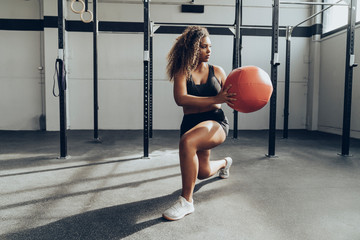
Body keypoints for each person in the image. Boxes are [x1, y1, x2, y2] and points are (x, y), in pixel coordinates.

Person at [162, 26, 236, 221]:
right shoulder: (182, 72)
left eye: (210, 46)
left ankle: (186, 201)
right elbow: (181, 99)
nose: (208, 50)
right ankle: (225, 163)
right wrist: (216, 97)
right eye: (203, 47)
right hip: (191, 123)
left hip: (215, 122)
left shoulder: (218, 71)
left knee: (187, 142)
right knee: (202, 172)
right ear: (193, 48)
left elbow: (232, 96)